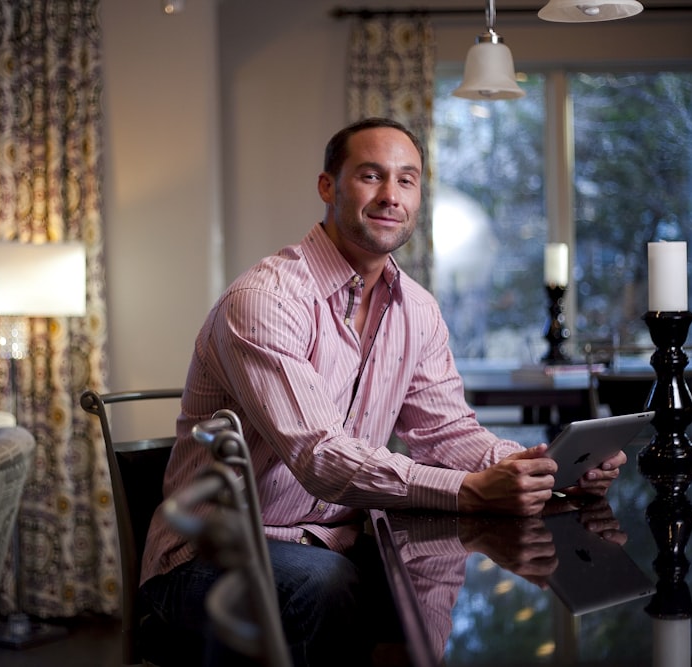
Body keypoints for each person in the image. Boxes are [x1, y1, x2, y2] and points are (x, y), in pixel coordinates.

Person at [139, 117, 627, 665]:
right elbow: (319, 456)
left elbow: (446, 433)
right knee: (325, 585)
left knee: (423, 576)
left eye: (407, 180)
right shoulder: (264, 300)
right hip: (212, 557)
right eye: (371, 176)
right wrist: (469, 490)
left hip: (334, 543)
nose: (391, 196)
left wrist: (546, 467)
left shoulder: (417, 308)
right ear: (329, 187)